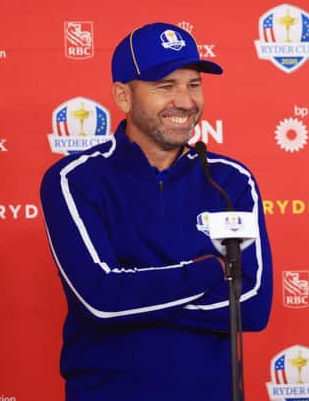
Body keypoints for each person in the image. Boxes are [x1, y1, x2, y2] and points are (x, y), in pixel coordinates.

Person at [40, 22, 273, 401]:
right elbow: (100, 300)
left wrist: (132, 289)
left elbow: (251, 306)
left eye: (193, 85)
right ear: (123, 96)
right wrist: (209, 271)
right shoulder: (74, 179)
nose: (185, 101)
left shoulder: (230, 181)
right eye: (165, 86)